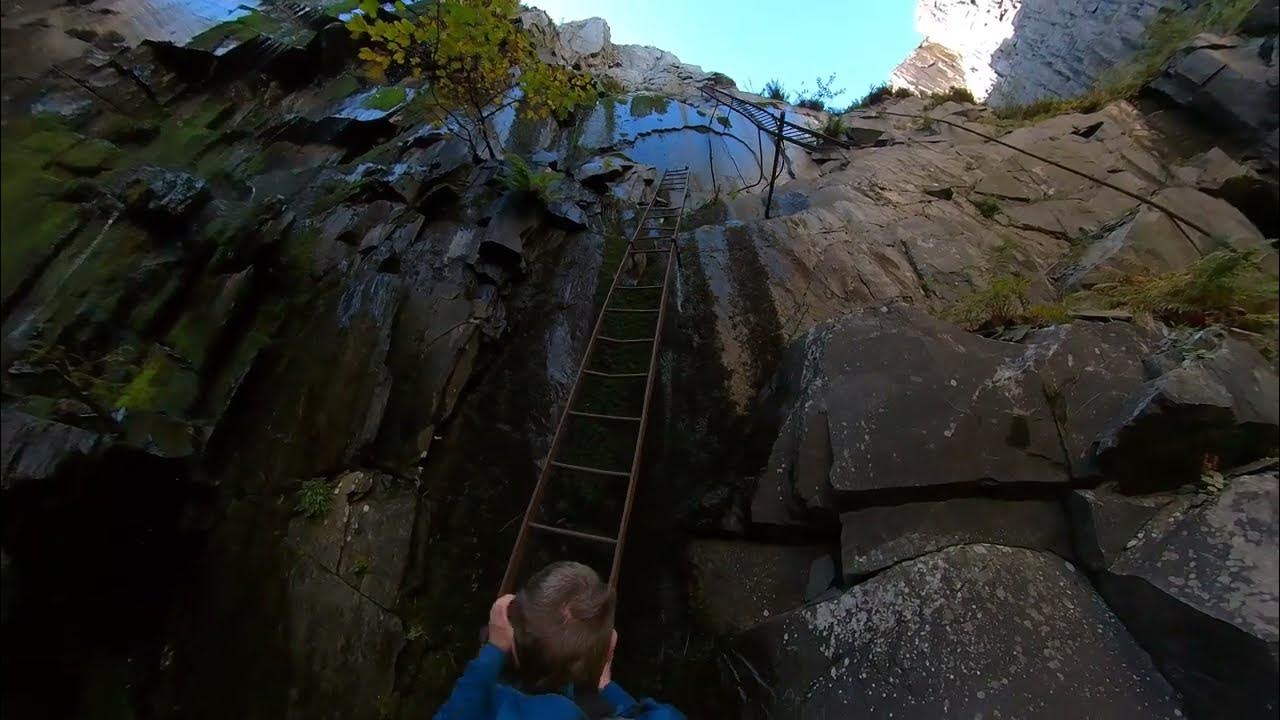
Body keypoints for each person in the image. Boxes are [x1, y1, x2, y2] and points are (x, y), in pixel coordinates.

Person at [434, 561, 684, 720]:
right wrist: (608, 688)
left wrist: (493, 651)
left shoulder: (492, 703)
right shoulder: (588, 709)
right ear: (608, 648)